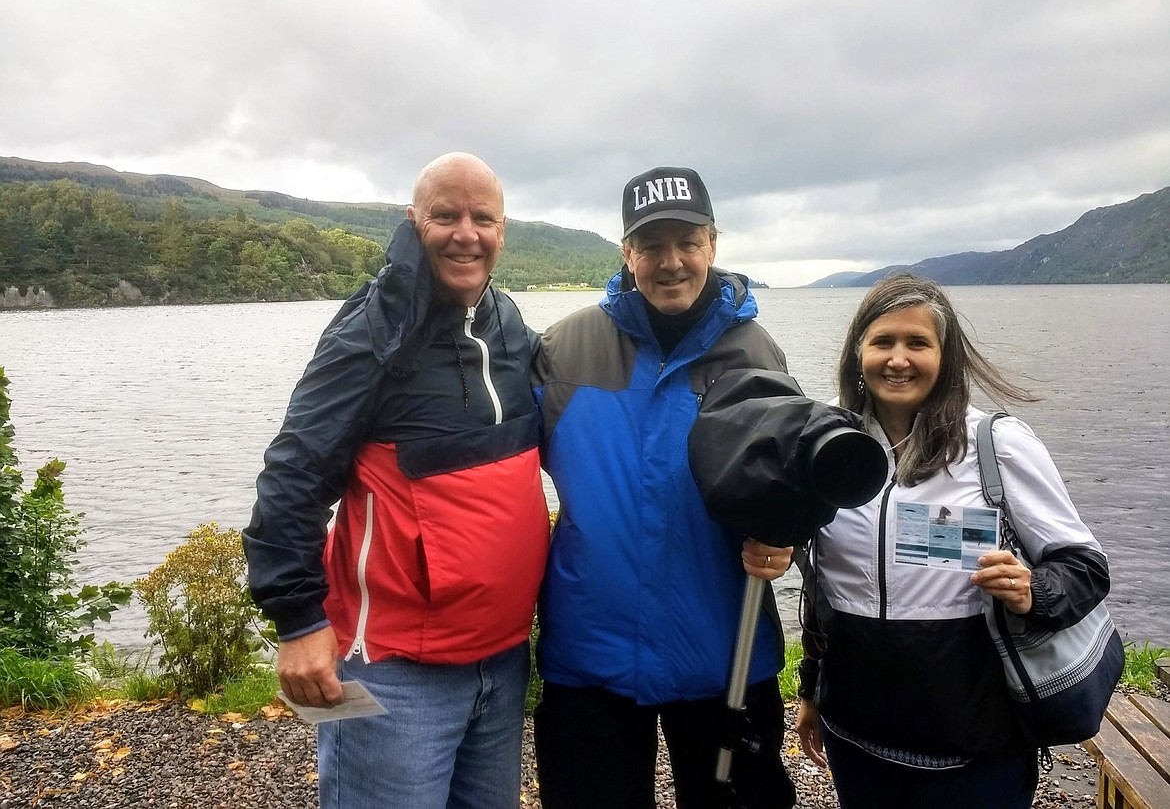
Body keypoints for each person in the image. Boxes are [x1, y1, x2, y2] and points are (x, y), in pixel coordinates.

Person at [242, 152, 550, 809]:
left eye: (482, 218)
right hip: (392, 668)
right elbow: (293, 471)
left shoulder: (510, 324)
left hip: (501, 658)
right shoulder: (371, 330)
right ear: (414, 222)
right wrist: (297, 619)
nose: (465, 233)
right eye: (445, 215)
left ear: (504, 230)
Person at [531, 165, 798, 809]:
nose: (670, 262)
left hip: (723, 658)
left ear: (713, 244)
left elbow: (791, 481)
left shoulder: (756, 353)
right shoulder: (564, 350)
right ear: (627, 253)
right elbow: (491, 471)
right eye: (651, 245)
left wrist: (789, 536)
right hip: (590, 659)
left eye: (687, 242)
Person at [794, 273, 1113, 809]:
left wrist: (1034, 588)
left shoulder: (997, 446)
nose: (898, 359)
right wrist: (810, 690)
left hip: (976, 745)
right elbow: (822, 590)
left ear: (947, 358)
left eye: (918, 343)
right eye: (883, 342)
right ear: (858, 353)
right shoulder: (824, 447)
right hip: (857, 738)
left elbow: (1086, 566)